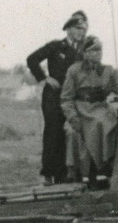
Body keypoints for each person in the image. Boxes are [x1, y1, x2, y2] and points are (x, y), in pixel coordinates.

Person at [27, 12, 88, 184]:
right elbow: (32, 59)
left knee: (66, 135)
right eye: (77, 28)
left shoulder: (80, 52)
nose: (81, 32)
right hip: (53, 96)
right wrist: (44, 78)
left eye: (83, 29)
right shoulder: (55, 46)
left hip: (70, 99)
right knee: (52, 134)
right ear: (68, 29)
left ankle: (61, 175)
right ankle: (47, 174)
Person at [62, 35, 118, 189]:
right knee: (72, 132)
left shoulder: (108, 71)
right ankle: (79, 173)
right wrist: (72, 117)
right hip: (80, 110)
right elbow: (66, 98)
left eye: (100, 50)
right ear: (85, 53)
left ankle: (102, 170)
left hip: (101, 108)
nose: (98, 53)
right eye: (94, 50)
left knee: (105, 124)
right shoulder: (74, 70)